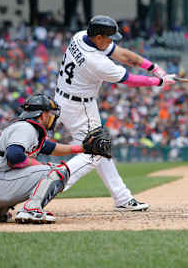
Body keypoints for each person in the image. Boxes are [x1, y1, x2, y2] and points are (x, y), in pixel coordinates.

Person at [55, 15, 176, 211]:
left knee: (100, 151)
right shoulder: (95, 61)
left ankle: (122, 197)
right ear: (99, 37)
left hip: (67, 99)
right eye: (110, 38)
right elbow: (130, 80)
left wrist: (155, 68)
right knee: (95, 152)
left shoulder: (80, 37)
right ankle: (49, 184)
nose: (112, 42)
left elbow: (124, 56)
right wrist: (159, 82)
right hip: (80, 107)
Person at [0, 94, 92, 224]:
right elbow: (14, 156)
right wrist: (37, 164)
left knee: (45, 170)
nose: (51, 117)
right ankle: (31, 210)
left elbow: (50, 148)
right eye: (49, 113)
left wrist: (83, 148)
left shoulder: (24, 128)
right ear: (42, 115)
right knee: (57, 170)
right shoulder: (26, 128)